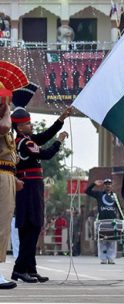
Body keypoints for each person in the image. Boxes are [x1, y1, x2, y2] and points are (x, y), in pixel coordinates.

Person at [10, 105, 71, 283]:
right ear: (20, 127)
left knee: (28, 228)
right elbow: (46, 154)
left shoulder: (25, 140)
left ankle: (30, 268)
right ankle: (19, 269)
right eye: (28, 123)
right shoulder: (25, 142)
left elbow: (44, 136)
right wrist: (59, 141)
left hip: (29, 187)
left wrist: (61, 119)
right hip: (29, 187)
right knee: (33, 225)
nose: (31, 125)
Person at [0, 62, 27, 289]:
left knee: (4, 222)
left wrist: (14, 177)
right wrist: (7, 108)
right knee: (0, 223)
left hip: (6, 174)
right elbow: (5, 125)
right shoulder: (4, 120)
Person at [85, 178, 124, 264]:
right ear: (104, 185)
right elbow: (87, 191)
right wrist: (94, 184)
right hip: (102, 220)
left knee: (112, 241)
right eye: (106, 183)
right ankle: (103, 259)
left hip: (112, 220)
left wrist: (121, 221)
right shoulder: (99, 194)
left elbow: (119, 208)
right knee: (102, 240)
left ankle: (111, 258)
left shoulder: (114, 196)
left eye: (109, 183)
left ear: (111, 185)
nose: (108, 185)